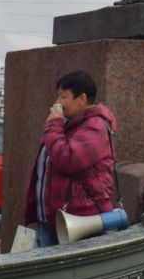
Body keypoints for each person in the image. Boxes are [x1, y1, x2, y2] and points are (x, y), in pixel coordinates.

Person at [23, 71, 117, 247]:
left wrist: (53, 126)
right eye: (58, 96)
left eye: (63, 96)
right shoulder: (67, 123)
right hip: (53, 219)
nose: (58, 102)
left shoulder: (95, 126)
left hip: (80, 220)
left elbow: (69, 159)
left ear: (81, 98)